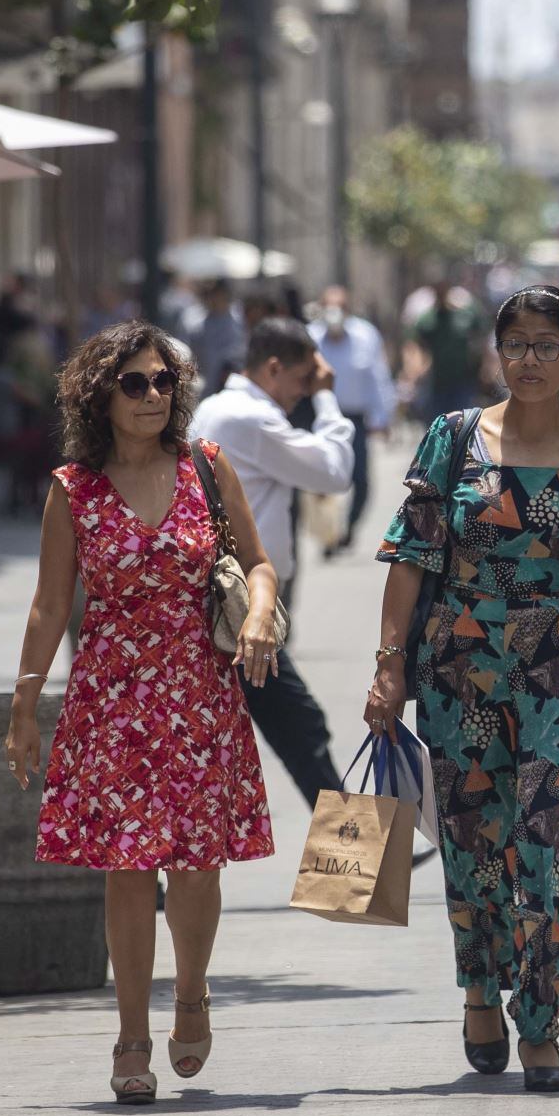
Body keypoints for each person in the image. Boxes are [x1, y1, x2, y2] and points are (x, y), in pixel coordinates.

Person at [366, 284, 559, 1094]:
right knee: (473, 844)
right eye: (517, 344)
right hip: (458, 669)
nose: (530, 359)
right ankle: (477, 987)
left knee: (554, 843)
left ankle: (540, 1019)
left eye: (548, 346)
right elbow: (410, 555)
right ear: (496, 353)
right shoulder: (453, 440)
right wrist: (389, 661)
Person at [5, 322, 277, 1106]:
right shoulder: (73, 489)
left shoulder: (205, 466)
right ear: (101, 395)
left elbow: (256, 564)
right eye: (134, 383)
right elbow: (49, 604)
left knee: (196, 864)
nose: (153, 394)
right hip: (113, 700)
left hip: (199, 694)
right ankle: (130, 1034)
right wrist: (26, 709)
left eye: (163, 381)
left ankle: (190, 995)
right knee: (126, 871)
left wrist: (259, 611)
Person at [192, 315, 354, 811]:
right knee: (300, 726)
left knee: (295, 729)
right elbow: (334, 471)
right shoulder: (246, 416)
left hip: (239, 605)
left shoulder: (225, 409)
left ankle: (361, 859)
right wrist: (329, 398)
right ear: (275, 367)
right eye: (304, 380)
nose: (305, 393)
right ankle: (358, 859)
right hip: (236, 609)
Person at [309, 286, 398, 553]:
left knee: (360, 481)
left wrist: (383, 418)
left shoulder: (365, 335)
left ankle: (348, 528)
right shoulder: (311, 337)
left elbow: (378, 378)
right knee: (323, 481)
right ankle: (329, 534)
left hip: (355, 419)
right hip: (320, 417)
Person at [412, 275, 487, 419]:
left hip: (464, 380)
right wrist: (417, 369)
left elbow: (481, 338)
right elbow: (416, 345)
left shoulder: (464, 315)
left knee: (463, 422)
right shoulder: (429, 319)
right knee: (439, 425)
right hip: (437, 382)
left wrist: (484, 367)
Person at [185, 278, 247, 395]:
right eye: (211, 295)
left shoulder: (239, 322)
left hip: (232, 386)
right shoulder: (197, 325)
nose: (214, 300)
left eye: (218, 295)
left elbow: (241, 354)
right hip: (205, 387)